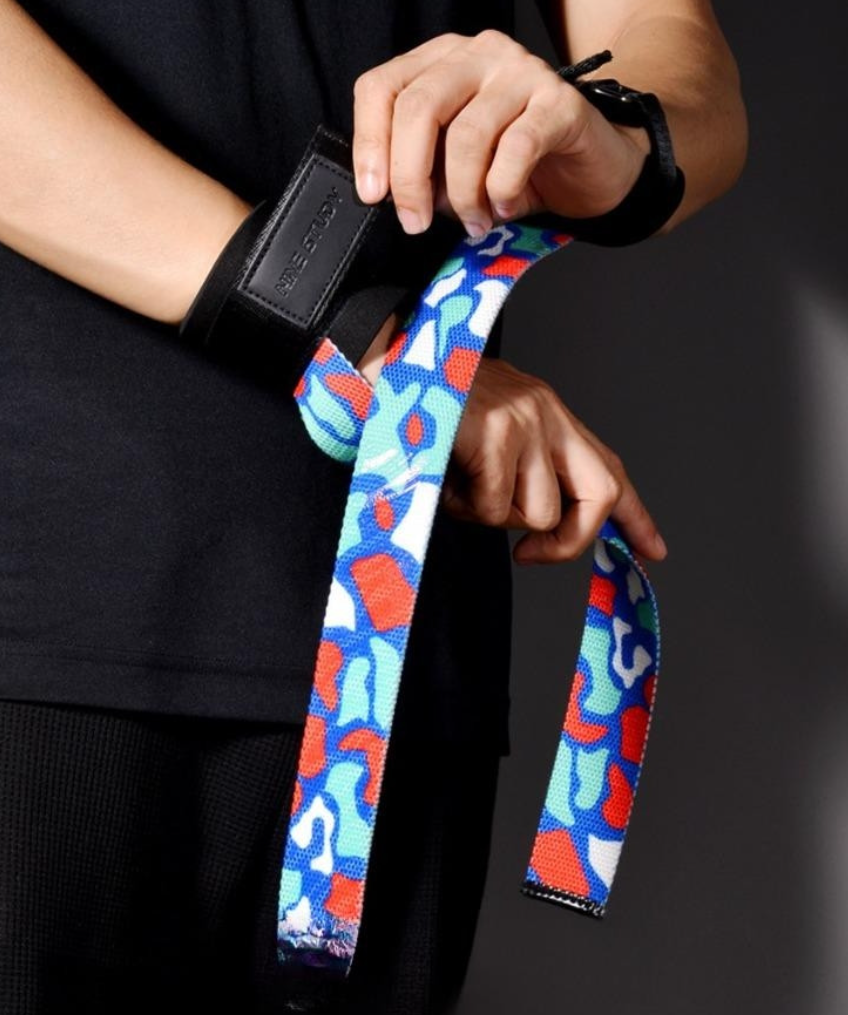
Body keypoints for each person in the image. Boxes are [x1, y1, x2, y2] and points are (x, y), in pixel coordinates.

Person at [0, 1, 746, 1012]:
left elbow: (673, 47)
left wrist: (615, 134)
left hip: (391, 652)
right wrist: (368, 343)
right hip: (53, 615)